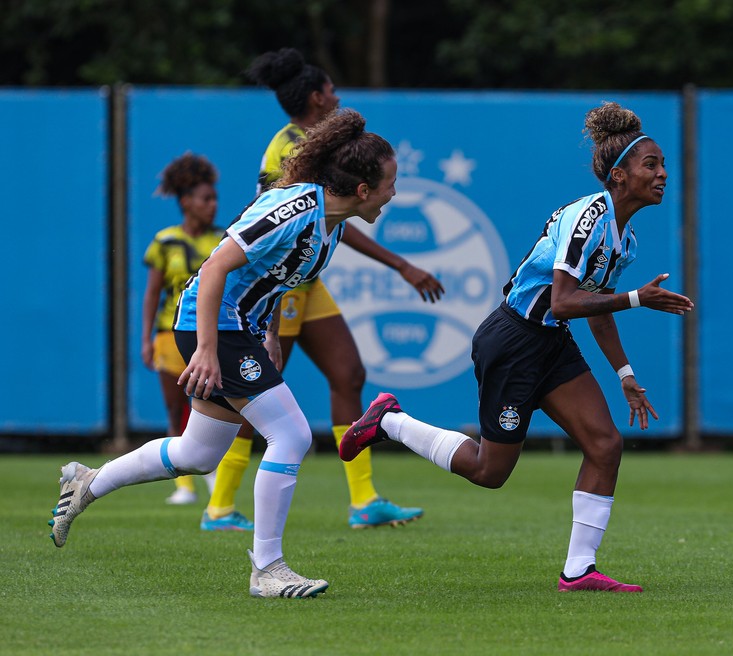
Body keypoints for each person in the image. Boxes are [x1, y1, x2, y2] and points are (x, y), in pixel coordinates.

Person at [339, 101, 695, 593]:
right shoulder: (589, 218)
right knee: (490, 472)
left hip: (550, 341)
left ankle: (578, 571)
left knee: (605, 445)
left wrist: (625, 374)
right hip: (513, 339)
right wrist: (638, 298)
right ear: (618, 175)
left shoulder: (624, 238)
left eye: (661, 165)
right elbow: (567, 301)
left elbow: (594, 306)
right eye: (650, 165)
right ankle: (389, 421)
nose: (662, 175)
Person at [49, 109, 399, 598]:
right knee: (292, 435)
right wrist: (209, 351)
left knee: (198, 453)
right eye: (389, 184)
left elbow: (272, 275)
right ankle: (268, 569)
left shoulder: (331, 222)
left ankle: (89, 482)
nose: (393, 194)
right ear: (363, 189)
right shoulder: (296, 209)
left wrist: (270, 333)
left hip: (239, 330)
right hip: (212, 326)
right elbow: (214, 270)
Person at [195, 47, 440, 532]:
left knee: (348, 374)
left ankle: (364, 500)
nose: (336, 95)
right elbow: (275, 225)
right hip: (275, 286)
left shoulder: (325, 150)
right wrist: (401, 265)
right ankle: (220, 506)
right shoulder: (286, 147)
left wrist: (400, 265)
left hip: (305, 283)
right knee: (252, 391)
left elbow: (337, 222)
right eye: (330, 89)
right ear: (314, 96)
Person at [140, 153, 246, 514]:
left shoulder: (225, 239)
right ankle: (184, 484)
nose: (213, 205)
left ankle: (211, 469)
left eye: (215, 198)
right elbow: (153, 292)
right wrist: (145, 338)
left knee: (214, 403)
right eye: (205, 199)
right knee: (176, 408)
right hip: (172, 335)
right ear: (186, 202)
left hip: (215, 335)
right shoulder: (165, 241)